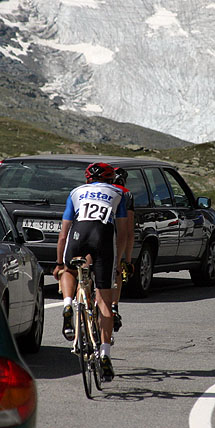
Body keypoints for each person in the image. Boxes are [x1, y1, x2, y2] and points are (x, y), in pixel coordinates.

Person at [53, 162, 128, 381]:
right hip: (103, 236)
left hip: (79, 233)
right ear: (110, 178)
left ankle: (68, 304)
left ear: (87, 179)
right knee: (104, 301)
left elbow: (63, 233)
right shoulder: (118, 193)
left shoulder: (76, 192)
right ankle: (104, 353)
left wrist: (59, 262)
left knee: (69, 268)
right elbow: (122, 232)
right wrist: (119, 260)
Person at [111, 167, 135, 332]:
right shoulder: (126, 194)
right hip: (114, 235)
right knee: (116, 269)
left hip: (87, 234)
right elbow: (128, 232)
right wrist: (127, 260)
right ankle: (114, 306)